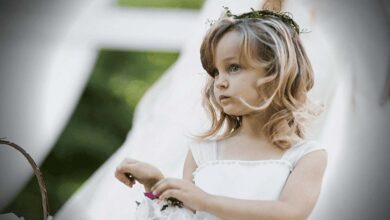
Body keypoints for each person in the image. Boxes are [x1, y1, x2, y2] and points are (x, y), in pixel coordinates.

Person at [115, 7, 327, 220]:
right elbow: (183, 216)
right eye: (216, 72)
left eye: (233, 68)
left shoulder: (306, 155)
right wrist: (155, 183)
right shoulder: (202, 152)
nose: (220, 82)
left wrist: (206, 201)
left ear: (276, 73)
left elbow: (291, 213)